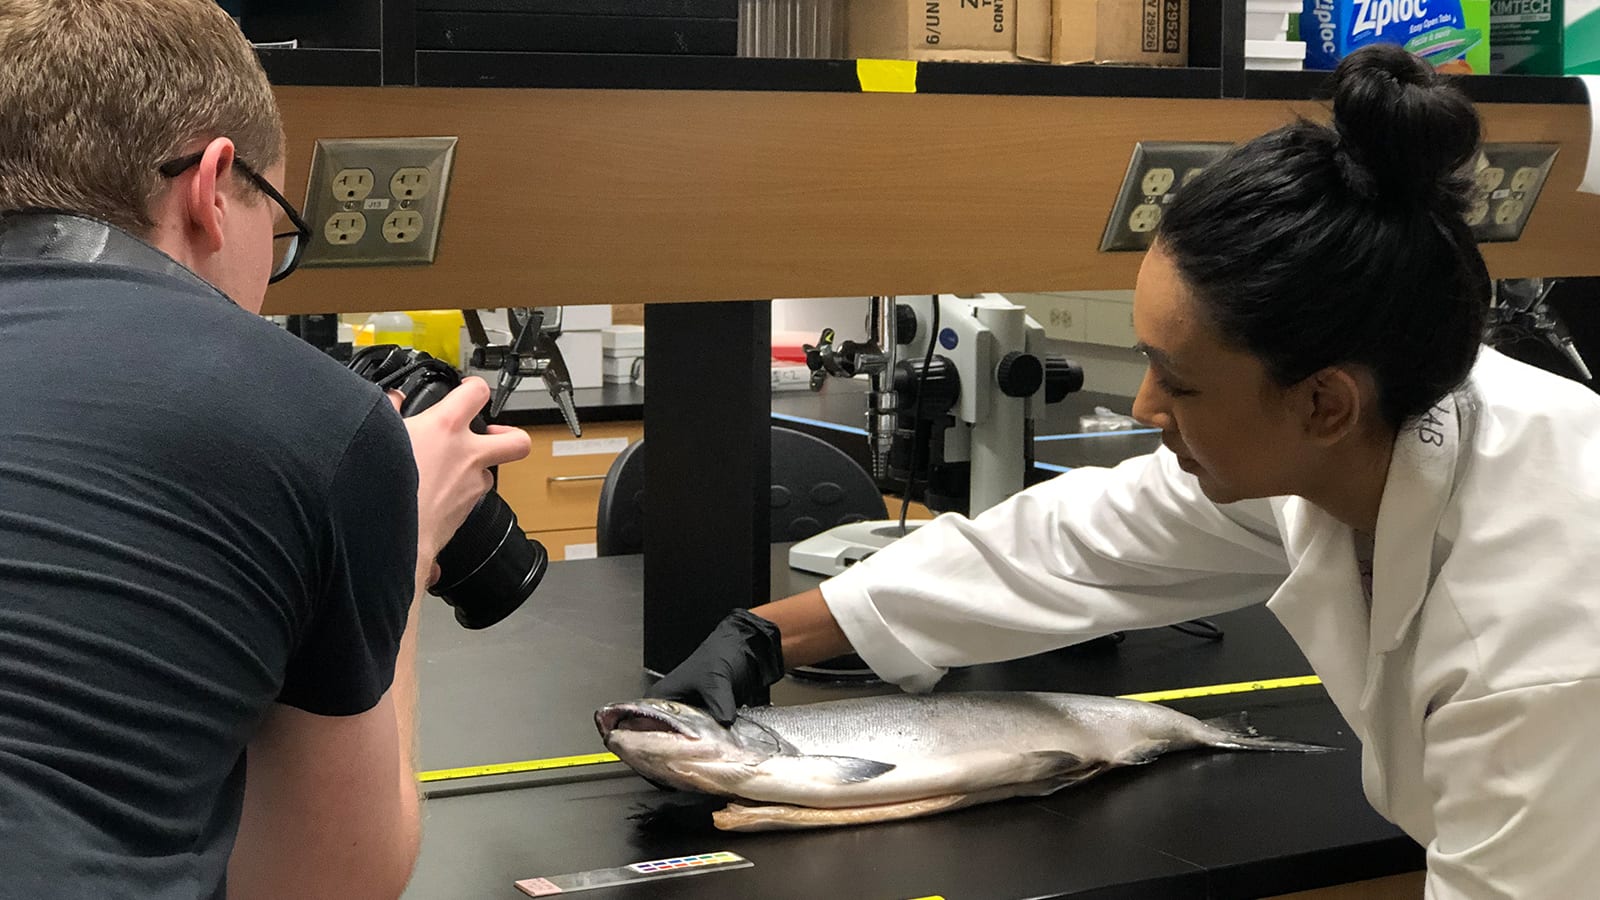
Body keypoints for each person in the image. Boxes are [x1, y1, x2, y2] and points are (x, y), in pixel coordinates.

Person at [653, 45, 1600, 897]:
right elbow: (1078, 541)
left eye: (1178, 382)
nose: (1145, 408)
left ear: (1323, 403)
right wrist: (770, 635)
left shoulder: (1538, 651)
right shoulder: (1382, 408)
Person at [0, 1, 530, 897]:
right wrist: (402, 534)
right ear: (211, 188)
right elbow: (329, 881)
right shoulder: (304, 412)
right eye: (279, 231)